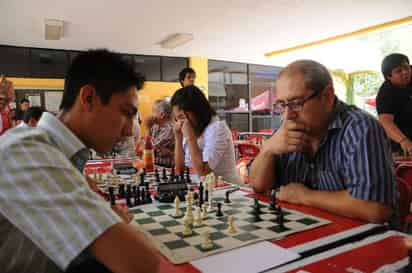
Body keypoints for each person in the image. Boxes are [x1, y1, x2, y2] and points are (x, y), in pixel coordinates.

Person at [0, 49, 159, 273]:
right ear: (88, 98)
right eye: (125, 113)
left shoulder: (59, 153)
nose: (127, 131)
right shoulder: (26, 151)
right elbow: (142, 265)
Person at [249, 60, 397, 225]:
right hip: (301, 233)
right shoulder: (287, 129)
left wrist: (304, 196)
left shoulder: (360, 128)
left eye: (296, 103)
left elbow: (375, 209)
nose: (287, 115)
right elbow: (258, 185)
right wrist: (267, 150)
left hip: (361, 241)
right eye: (282, 105)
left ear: (326, 96)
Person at [171, 85, 242, 184]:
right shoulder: (191, 127)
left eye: (182, 116)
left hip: (226, 190)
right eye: (177, 118)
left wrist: (191, 138)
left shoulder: (218, 129)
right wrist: (178, 136)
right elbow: (179, 169)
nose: (180, 122)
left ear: (196, 110)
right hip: (200, 187)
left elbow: (203, 172)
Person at [376, 53, 412, 156]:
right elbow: (385, 121)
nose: (405, 72)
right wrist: (404, 141)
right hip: (400, 145)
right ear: (388, 77)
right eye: (398, 71)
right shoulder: (385, 93)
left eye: (406, 67)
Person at [144, 99, 175, 167]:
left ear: (161, 114)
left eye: (153, 111)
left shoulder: (170, 129)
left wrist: (147, 128)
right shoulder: (155, 126)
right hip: (156, 164)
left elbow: (150, 148)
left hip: (165, 166)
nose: (150, 114)